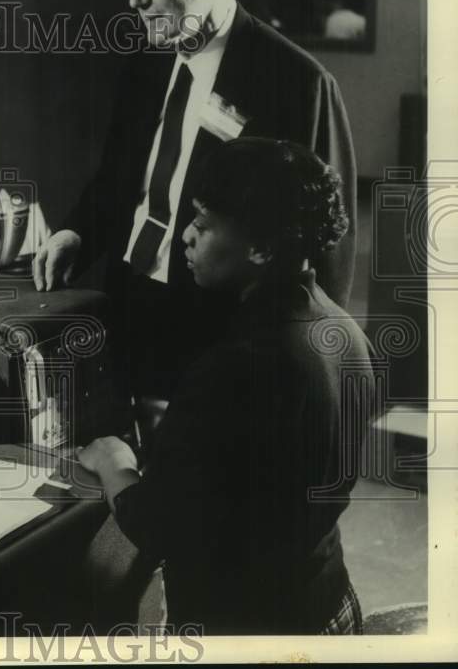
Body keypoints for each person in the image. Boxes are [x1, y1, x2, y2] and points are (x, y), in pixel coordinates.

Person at [32, 0, 356, 406]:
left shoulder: (298, 82)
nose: (134, 0)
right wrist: (76, 232)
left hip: (223, 340)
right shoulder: (148, 56)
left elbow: (326, 250)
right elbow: (118, 176)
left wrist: (305, 365)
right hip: (128, 306)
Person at [78, 138, 373, 635]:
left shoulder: (236, 366)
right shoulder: (346, 332)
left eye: (203, 223)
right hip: (330, 605)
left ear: (261, 248)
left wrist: (114, 462)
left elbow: (155, 526)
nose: (186, 237)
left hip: (249, 634)